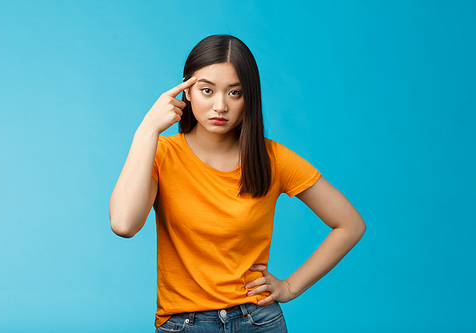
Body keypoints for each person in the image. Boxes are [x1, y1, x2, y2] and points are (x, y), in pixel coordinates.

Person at [109, 34, 366, 332]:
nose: (220, 106)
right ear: (187, 91)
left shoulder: (273, 158)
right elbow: (124, 224)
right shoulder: (161, 154)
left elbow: (350, 224)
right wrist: (147, 129)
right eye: (207, 90)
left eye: (234, 93)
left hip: (258, 320)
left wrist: (290, 287)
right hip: (184, 322)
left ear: (249, 98)